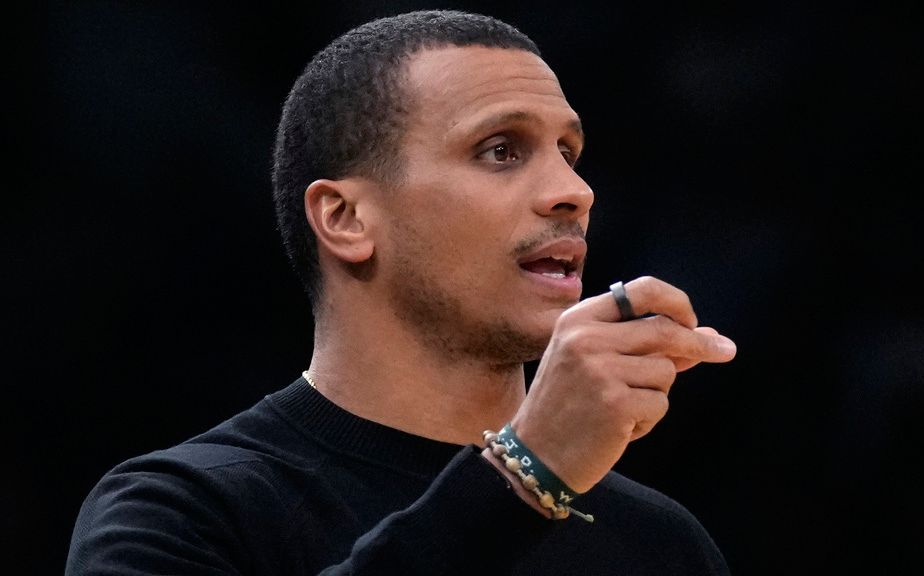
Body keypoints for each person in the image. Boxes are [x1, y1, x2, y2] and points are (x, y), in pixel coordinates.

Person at [65, 9, 737, 575]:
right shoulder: (180, 510)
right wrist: (523, 476)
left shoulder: (660, 543)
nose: (575, 191)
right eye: (501, 149)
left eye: (568, 152)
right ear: (346, 219)